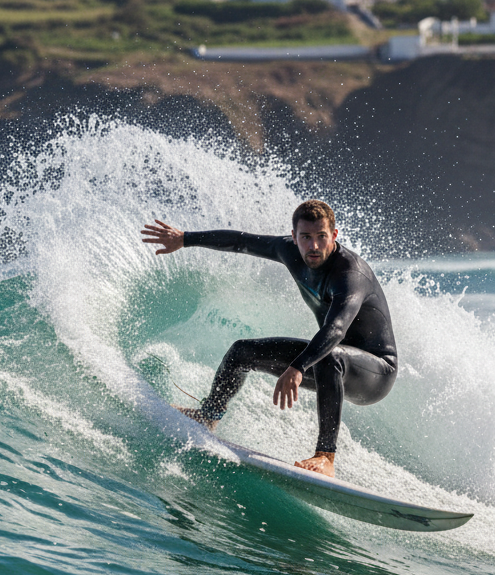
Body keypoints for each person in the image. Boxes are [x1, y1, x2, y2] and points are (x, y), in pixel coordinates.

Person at [141, 200, 397, 478]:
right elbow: (241, 242)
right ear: (294, 236)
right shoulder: (287, 250)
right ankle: (209, 416)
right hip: (330, 361)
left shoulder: (350, 274)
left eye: (321, 237)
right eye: (306, 237)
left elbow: (335, 328)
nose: (313, 246)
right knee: (242, 351)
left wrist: (297, 368)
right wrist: (185, 239)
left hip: (376, 373)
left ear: (334, 236)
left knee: (330, 355)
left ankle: (325, 457)